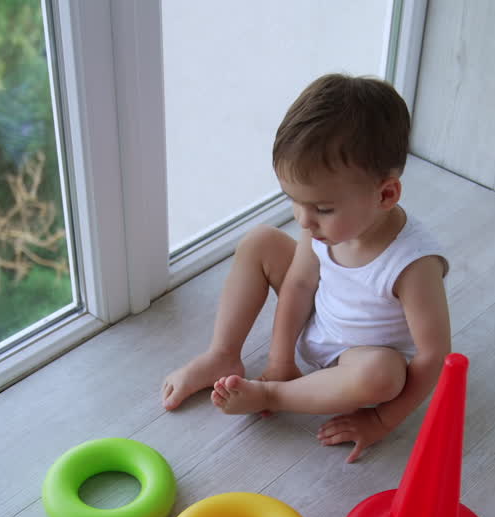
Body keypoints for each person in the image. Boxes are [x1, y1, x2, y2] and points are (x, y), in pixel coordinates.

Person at [160, 73, 451, 463]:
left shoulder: (414, 265)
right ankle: (223, 353)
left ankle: (274, 396)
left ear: (385, 194)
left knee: (384, 376)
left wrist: (382, 420)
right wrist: (281, 360)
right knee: (259, 241)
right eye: (295, 201)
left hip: (358, 356)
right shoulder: (322, 228)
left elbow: (434, 356)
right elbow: (298, 283)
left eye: (322, 208)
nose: (304, 220)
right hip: (318, 316)